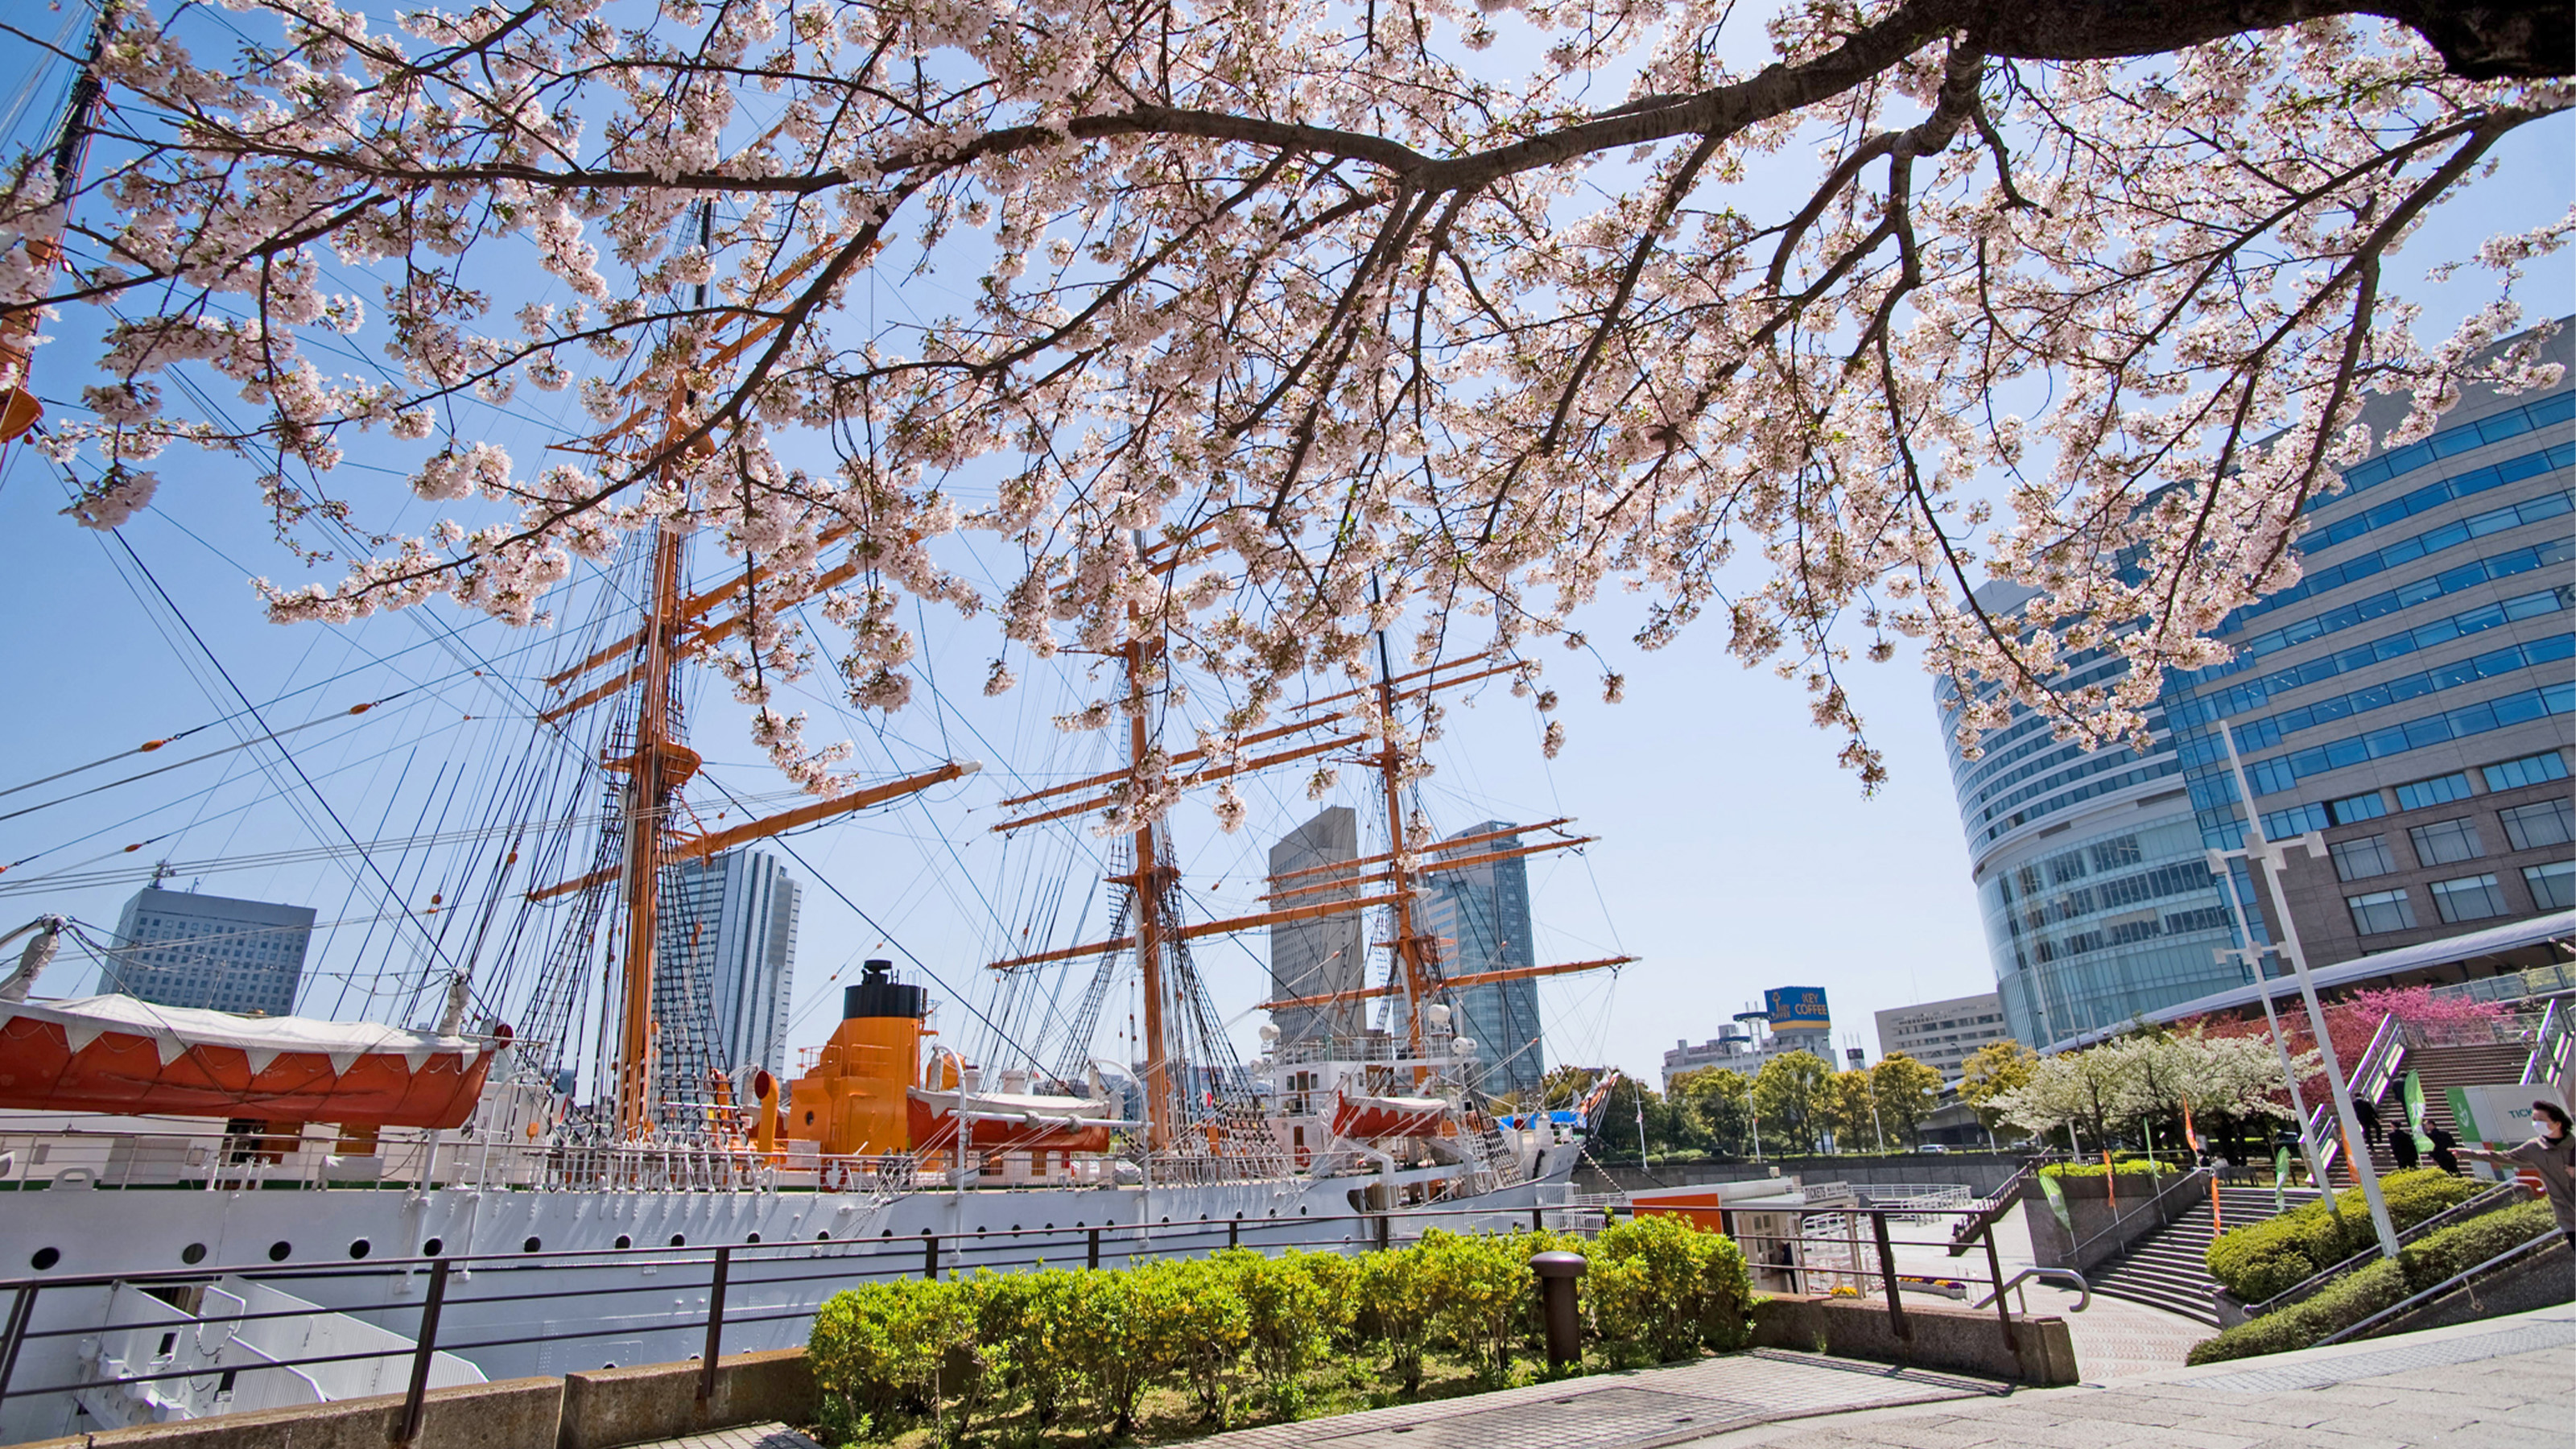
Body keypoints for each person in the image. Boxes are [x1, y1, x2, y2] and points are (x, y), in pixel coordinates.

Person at [2456, 1100, 2576, 1250]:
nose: (2536, 1124)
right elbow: (2503, 1157)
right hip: (2568, 1217)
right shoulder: (2534, 1148)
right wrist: (2467, 1154)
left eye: (2541, 1120)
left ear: (2557, 1124)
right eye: (2534, 1120)